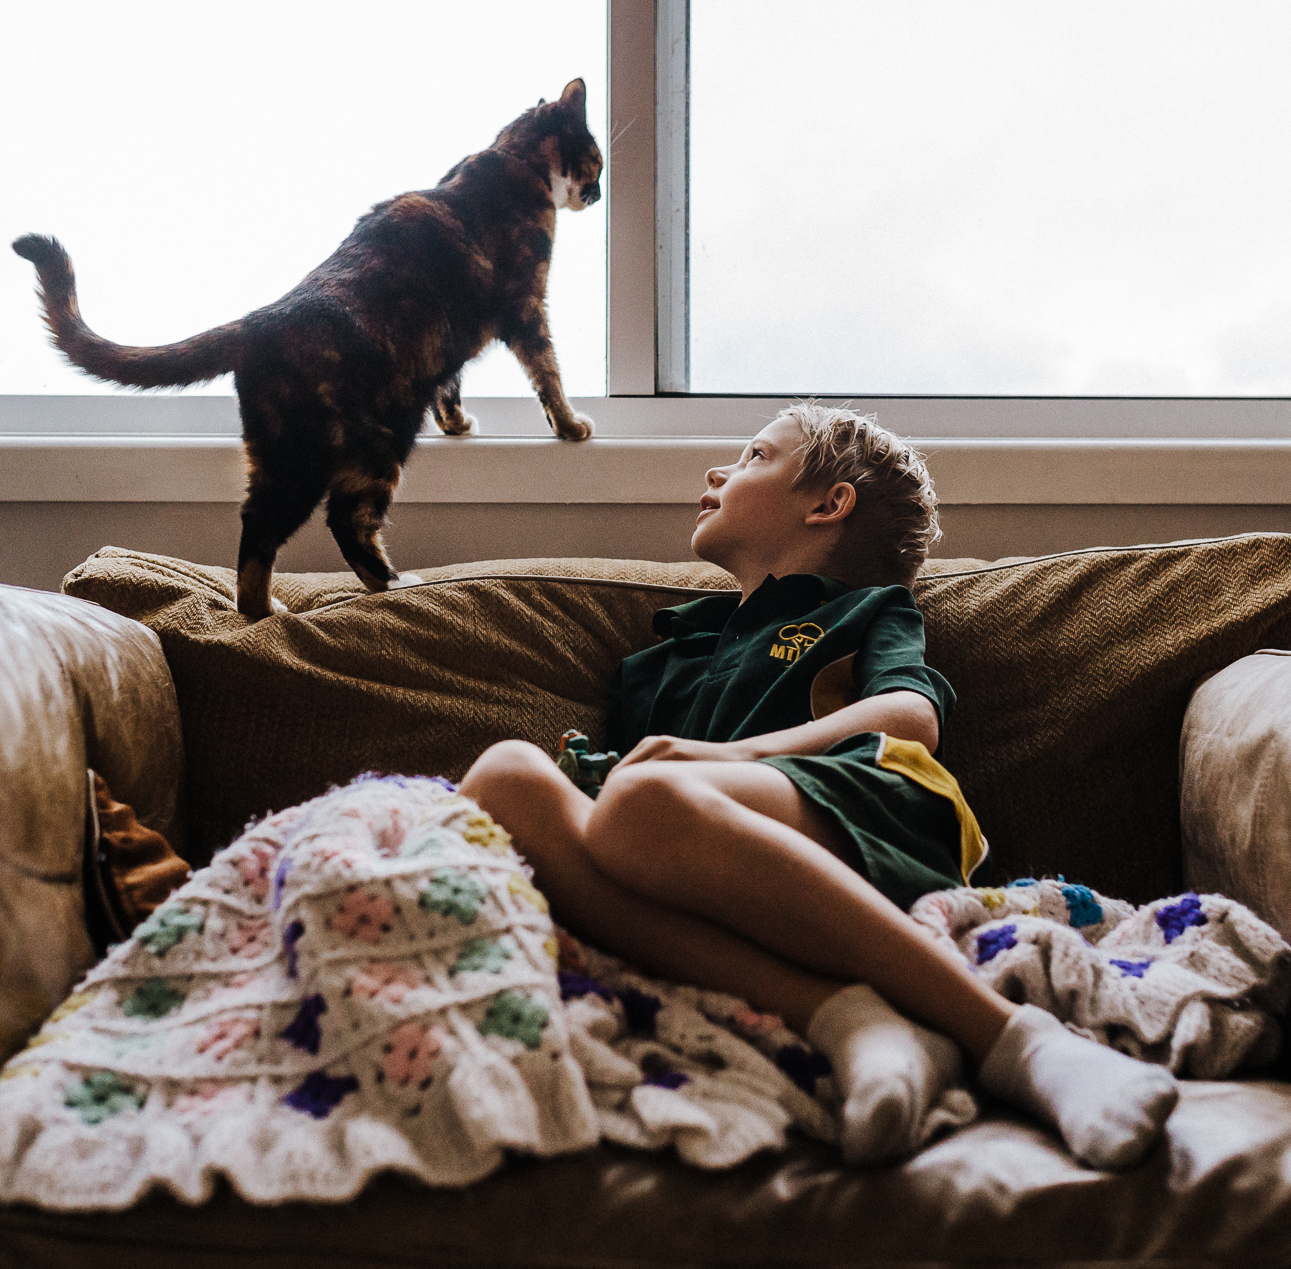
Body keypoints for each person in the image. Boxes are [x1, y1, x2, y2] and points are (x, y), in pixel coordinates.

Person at [460, 404, 1177, 1167]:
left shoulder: (864, 610)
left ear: (828, 503)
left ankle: (1016, 1041)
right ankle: (858, 1021)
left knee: (644, 803)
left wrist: (725, 759)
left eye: (752, 457)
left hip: (870, 804)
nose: (716, 472)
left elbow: (909, 717)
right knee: (507, 773)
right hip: (685, 847)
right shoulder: (667, 654)